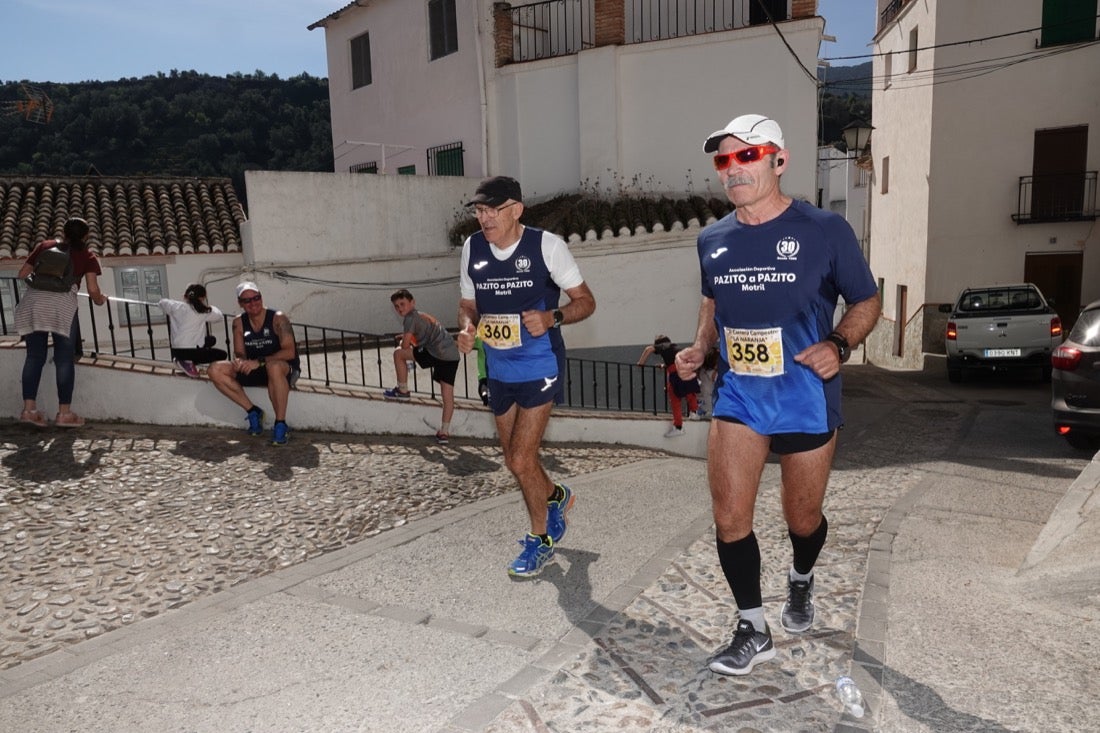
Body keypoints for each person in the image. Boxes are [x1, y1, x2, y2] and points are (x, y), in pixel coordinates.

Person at [674, 114, 880, 676]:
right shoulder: (711, 238)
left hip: (807, 395)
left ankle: (801, 577)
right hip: (740, 396)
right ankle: (752, 627)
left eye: (746, 156)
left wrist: (839, 342)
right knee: (729, 516)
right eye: (723, 160)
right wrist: (700, 349)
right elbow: (713, 303)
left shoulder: (825, 229)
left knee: (802, 515)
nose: (732, 169)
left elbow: (866, 301)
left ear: (778, 160)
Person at [456, 176, 596, 578]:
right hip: (498, 367)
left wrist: (554, 316)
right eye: (479, 211)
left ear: (516, 210)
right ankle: (556, 496)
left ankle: (542, 540)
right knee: (518, 461)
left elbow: (586, 302)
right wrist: (467, 328)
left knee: (519, 457)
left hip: (540, 364)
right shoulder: (472, 248)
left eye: (492, 210)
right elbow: (468, 304)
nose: (484, 219)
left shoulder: (547, 246)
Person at [14, 217, 108, 428]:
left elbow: (22, 273)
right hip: (62, 308)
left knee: (34, 356)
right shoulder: (87, 256)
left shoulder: (46, 246)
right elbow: (93, 290)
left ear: (64, 232)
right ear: (86, 236)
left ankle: (29, 410)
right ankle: (64, 414)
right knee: (64, 359)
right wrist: (101, 300)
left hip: (35, 304)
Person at [207, 282, 301, 446]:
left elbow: (289, 352)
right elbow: (240, 352)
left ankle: (280, 423)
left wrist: (259, 362)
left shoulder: (278, 318)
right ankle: (253, 411)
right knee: (215, 369)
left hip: (282, 369)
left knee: (274, 367)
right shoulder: (239, 322)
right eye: (247, 300)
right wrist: (240, 361)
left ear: (261, 297)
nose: (253, 303)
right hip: (253, 367)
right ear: (240, 304)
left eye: (256, 298)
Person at [383, 288, 461, 444]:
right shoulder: (422, 316)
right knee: (447, 395)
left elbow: (405, 345)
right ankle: (444, 432)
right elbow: (420, 338)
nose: (400, 309)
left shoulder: (410, 318)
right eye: (397, 306)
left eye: (402, 304)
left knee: (398, 354)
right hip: (452, 355)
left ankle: (403, 389)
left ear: (412, 302)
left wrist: (401, 341)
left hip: (435, 352)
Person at [637, 334, 702, 437]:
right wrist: (664, 366)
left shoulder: (662, 346)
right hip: (686, 369)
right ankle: (694, 413)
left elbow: (648, 349)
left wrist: (641, 363)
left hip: (676, 373)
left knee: (675, 399)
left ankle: (678, 427)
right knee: (690, 392)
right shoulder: (674, 347)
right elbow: (674, 361)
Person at [158, 283, 227, 377]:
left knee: (211, 340)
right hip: (190, 352)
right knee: (222, 354)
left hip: (176, 350)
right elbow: (219, 316)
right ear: (202, 298)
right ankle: (188, 363)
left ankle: (183, 360)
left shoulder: (176, 307)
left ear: (185, 296)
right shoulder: (203, 311)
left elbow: (162, 302)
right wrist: (209, 307)